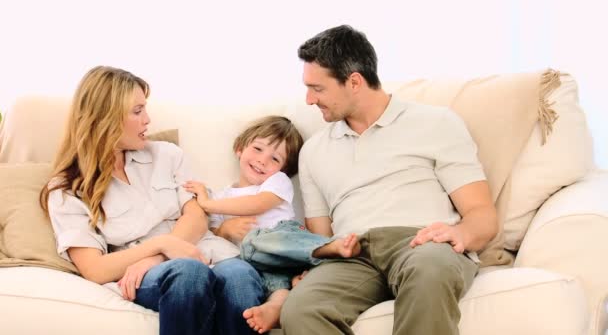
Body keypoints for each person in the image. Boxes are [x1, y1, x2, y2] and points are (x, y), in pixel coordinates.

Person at [279, 25, 499, 335]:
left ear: (354, 82)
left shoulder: (436, 123)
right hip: (353, 257)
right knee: (301, 309)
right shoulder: (314, 151)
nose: (309, 99)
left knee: (430, 270)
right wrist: (316, 263)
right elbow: (322, 238)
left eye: (318, 88)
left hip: (422, 244)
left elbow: (482, 214)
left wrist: (460, 233)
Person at [40, 66, 265, 335]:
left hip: (205, 250)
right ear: (105, 118)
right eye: (137, 111)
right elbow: (95, 269)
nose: (148, 119)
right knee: (187, 273)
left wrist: (158, 255)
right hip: (151, 275)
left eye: (145, 109)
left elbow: (196, 217)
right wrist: (162, 246)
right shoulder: (67, 189)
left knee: (240, 278)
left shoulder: (167, 155)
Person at [183, 115, 361, 334]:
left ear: (284, 170)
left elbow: (258, 204)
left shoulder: (276, 182)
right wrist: (224, 230)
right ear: (240, 148)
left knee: (256, 239)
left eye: (275, 159)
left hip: (284, 241)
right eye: (258, 149)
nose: (263, 160)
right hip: (260, 263)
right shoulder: (223, 196)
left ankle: (326, 249)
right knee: (274, 282)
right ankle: (275, 307)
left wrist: (207, 203)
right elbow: (211, 236)